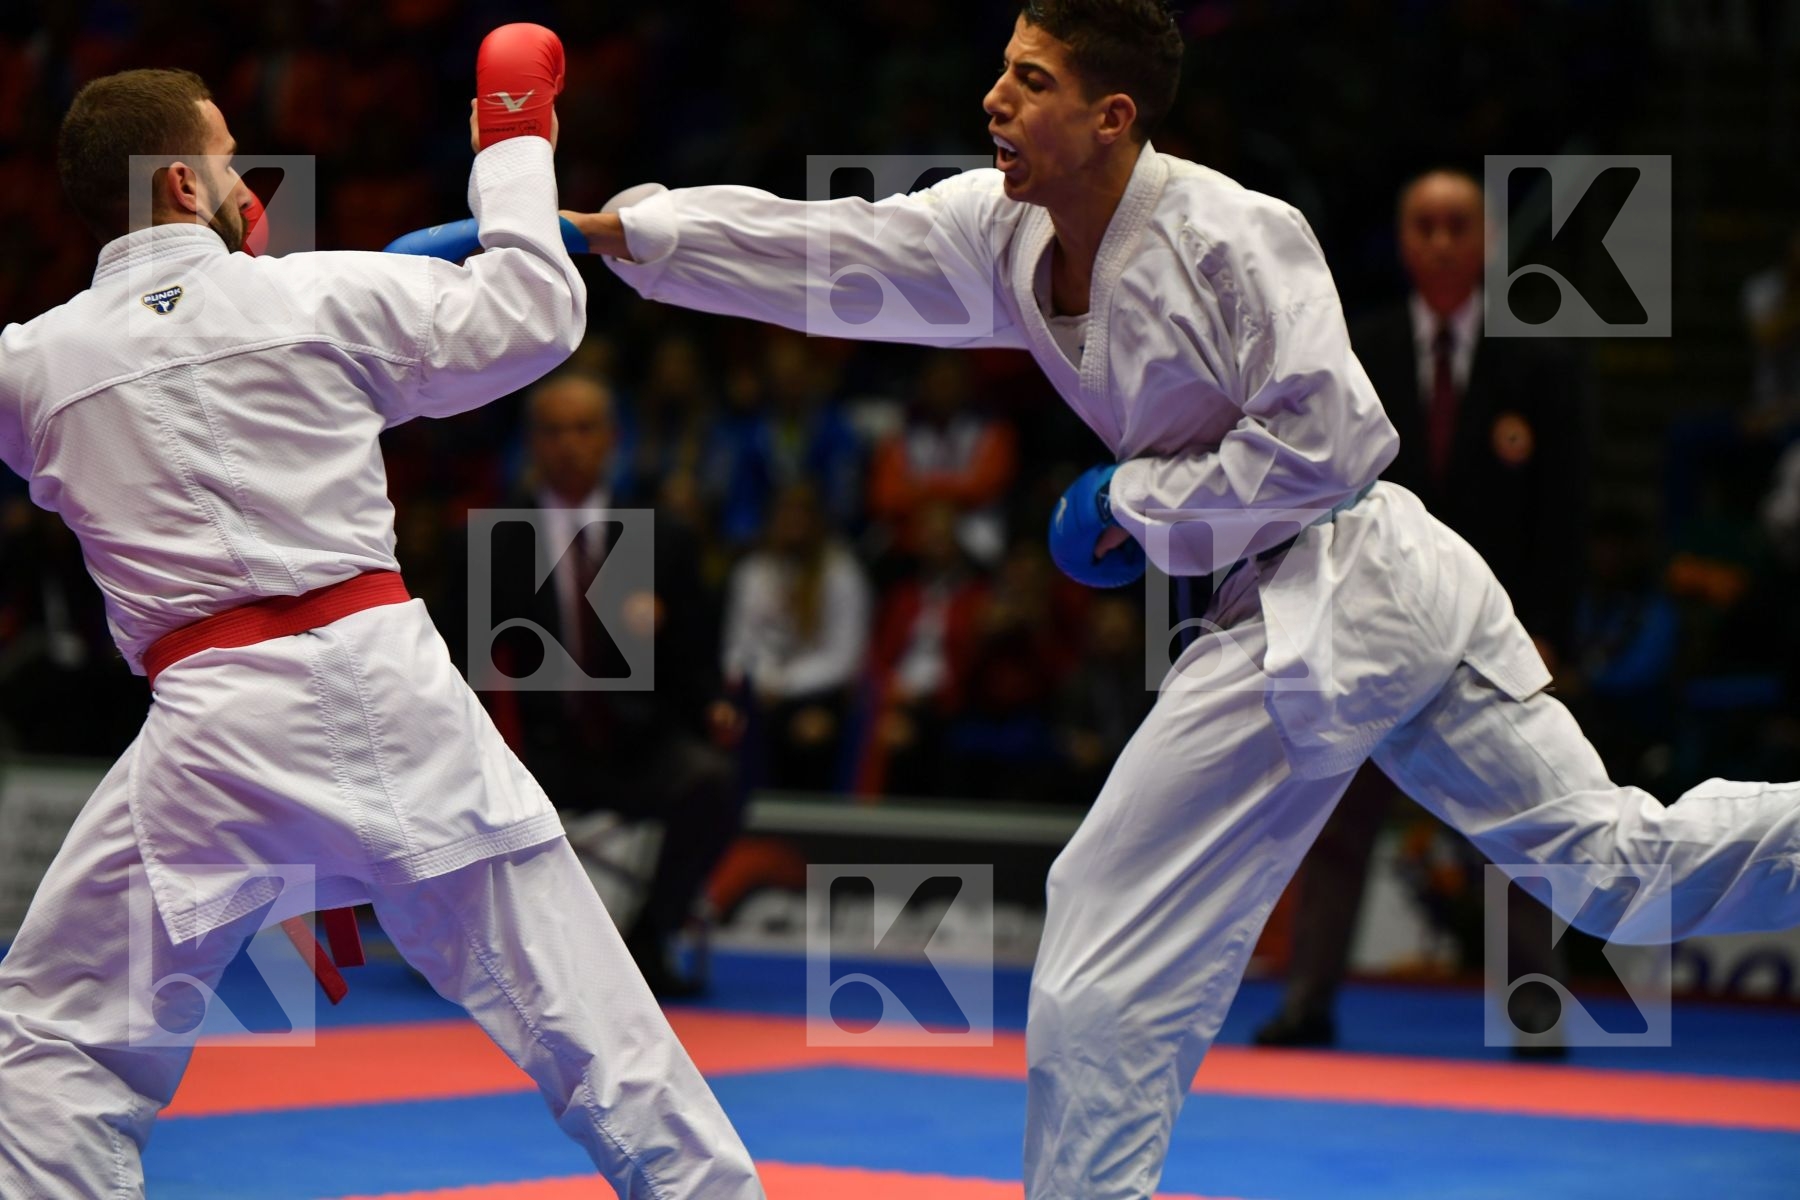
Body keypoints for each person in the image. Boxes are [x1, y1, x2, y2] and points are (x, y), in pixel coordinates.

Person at [552, 3, 1800, 1195]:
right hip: (1351, 596)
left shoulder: (1232, 234)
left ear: (1114, 116)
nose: (994, 97)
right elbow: (828, 250)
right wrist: (613, 237)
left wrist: (1130, 506)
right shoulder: (1003, 232)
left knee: (1104, 917)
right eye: (1001, 68)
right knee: (1617, 873)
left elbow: (1331, 436)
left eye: (1032, 80)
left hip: (1344, 578)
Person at [0, 40, 762, 1199]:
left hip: (209, 738)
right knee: (602, 1038)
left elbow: (159, 339)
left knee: (55, 1046)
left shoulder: (33, 368)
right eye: (229, 160)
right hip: (386, 688)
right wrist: (511, 141)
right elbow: (539, 314)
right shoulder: (316, 293)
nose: (251, 185)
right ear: (183, 186)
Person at [1256, 167, 1587, 1057]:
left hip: (1494, 635)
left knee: (1518, 819)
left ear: (1485, 241)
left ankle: (1534, 1009)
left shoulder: (1539, 363)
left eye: (1457, 225)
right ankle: (1307, 1001)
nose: (1441, 240)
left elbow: (1564, 514)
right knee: (1334, 819)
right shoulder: (1355, 351)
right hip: (1370, 630)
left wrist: (1552, 626)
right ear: (1403, 242)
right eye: (1424, 225)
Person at [459, 368, 746, 996]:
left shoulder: (660, 534)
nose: (569, 444)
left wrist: (714, 704)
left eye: (584, 429)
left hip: (637, 743)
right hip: (536, 754)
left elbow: (697, 659)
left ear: (611, 438)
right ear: (533, 443)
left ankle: (646, 939)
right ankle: (506, 950)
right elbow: (462, 664)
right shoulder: (497, 539)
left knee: (714, 782)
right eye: (554, 431)